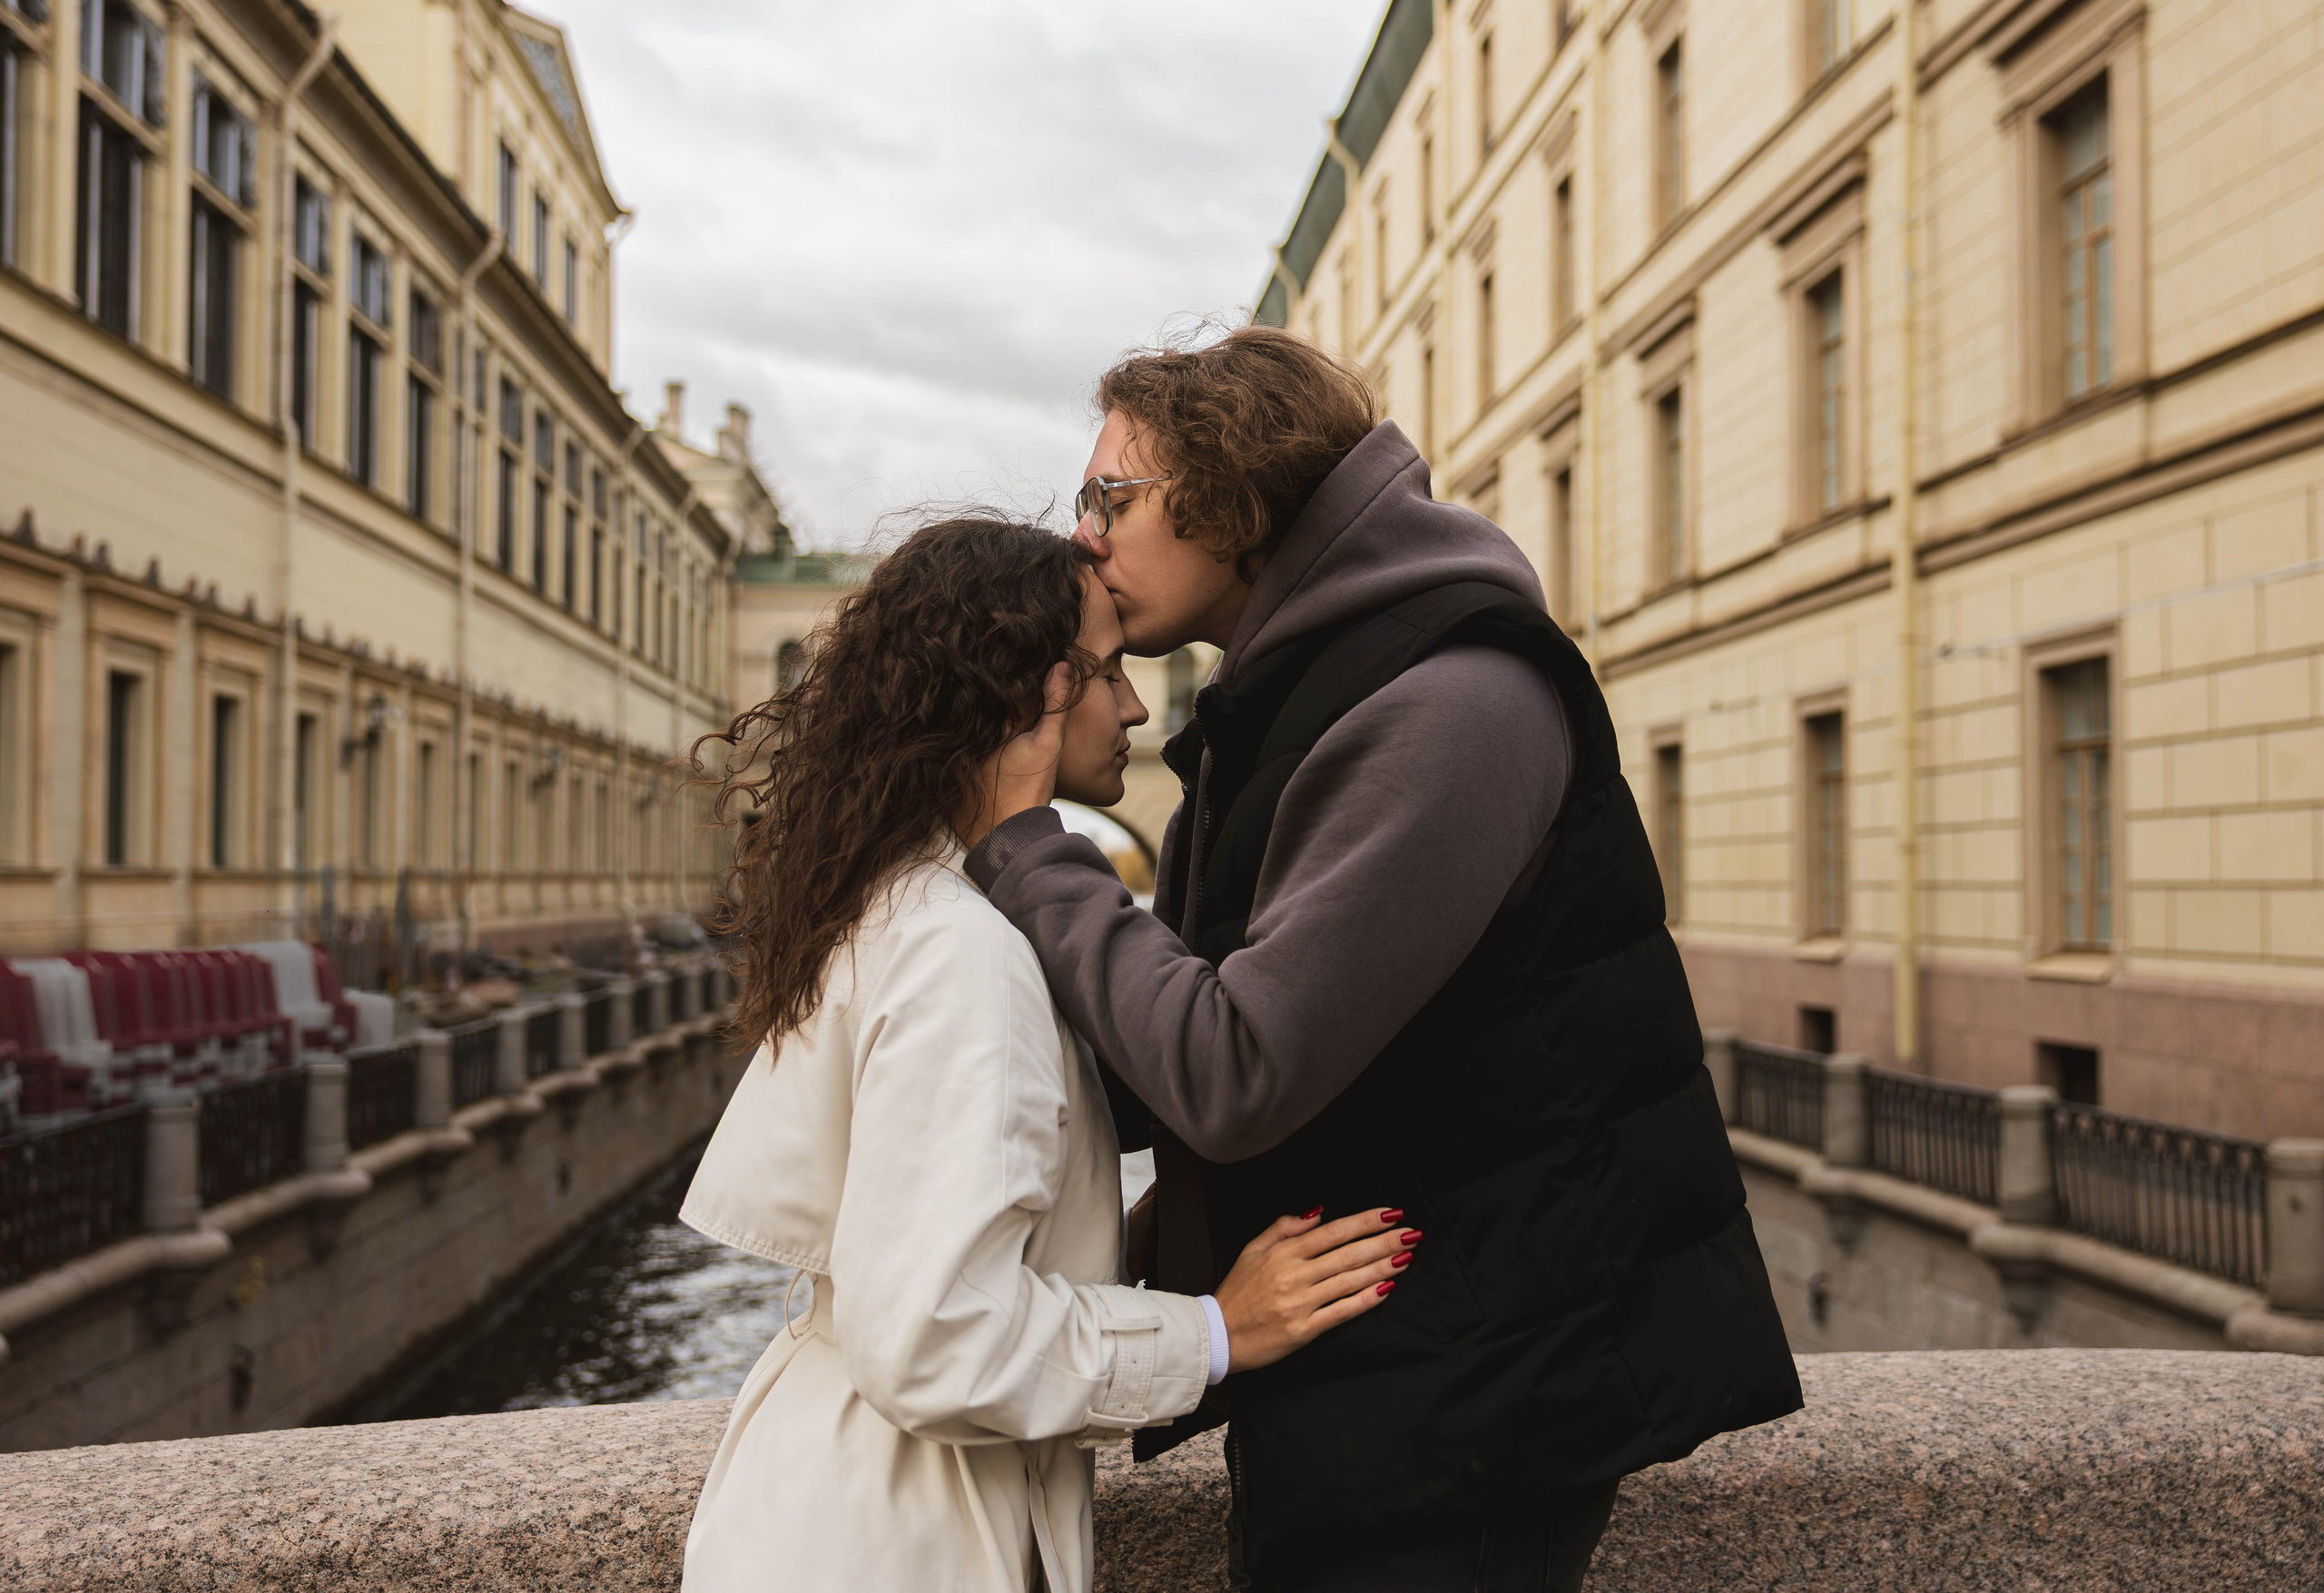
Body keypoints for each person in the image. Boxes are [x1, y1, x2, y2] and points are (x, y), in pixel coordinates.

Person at [958, 328, 1805, 1592]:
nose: (1085, 532)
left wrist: (1025, 845)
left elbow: (1235, 1067)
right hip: (1394, 1366)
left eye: (1111, 497)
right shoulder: (1292, 698)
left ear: (1236, 493)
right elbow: (1155, 1065)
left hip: (1478, 1399)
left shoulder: (1447, 697)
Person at [678, 516, 1421, 1593]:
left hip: (849, 1504)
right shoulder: (961, 952)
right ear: (1029, 688)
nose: (1131, 705)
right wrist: (1216, 1332)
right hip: (896, 1539)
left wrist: (1127, 1236)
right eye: (1110, 671)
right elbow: (934, 1339)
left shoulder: (910, 898)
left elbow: (925, 1239)